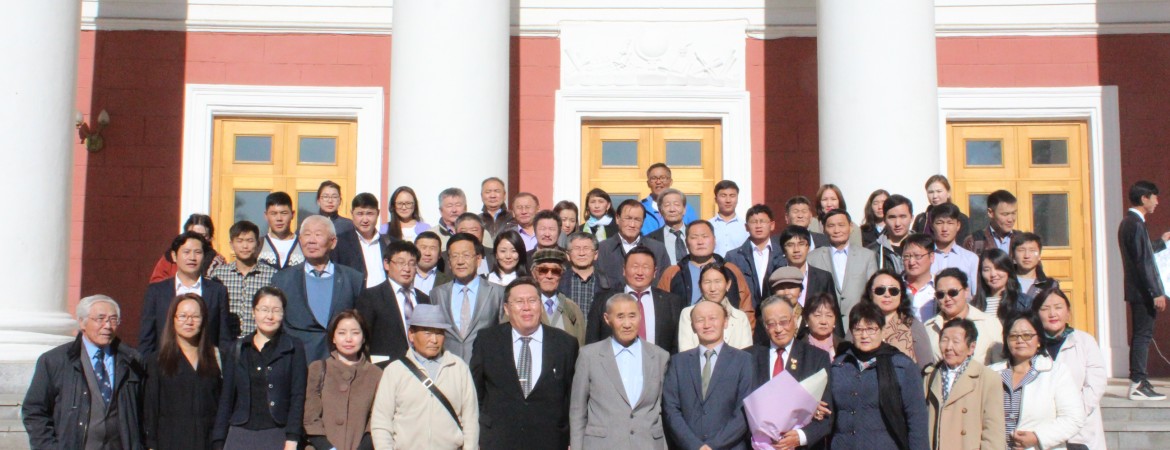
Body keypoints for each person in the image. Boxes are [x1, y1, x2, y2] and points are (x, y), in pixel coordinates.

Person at [24, 295, 146, 450]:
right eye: (100, 319)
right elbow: (34, 410)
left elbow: (144, 410)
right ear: (82, 322)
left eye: (113, 319)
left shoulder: (132, 361)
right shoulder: (55, 361)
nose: (108, 325)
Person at [472, 277, 580, 450]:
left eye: (532, 300)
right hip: (498, 440)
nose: (526, 307)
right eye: (519, 302)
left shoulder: (565, 344)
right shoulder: (487, 341)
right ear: (506, 308)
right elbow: (476, 393)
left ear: (541, 305)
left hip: (550, 440)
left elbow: (572, 397)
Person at [569, 292, 670, 450]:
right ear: (607, 319)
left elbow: (664, 409)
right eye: (620, 317)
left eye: (632, 316)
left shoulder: (659, 356)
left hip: (647, 444)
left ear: (640, 316)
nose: (627, 324)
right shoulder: (589, 356)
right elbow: (577, 411)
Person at [371, 304, 479, 449]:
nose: (434, 340)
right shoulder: (395, 371)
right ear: (411, 334)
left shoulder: (458, 368)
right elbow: (381, 422)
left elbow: (470, 419)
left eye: (439, 333)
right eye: (427, 333)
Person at [213, 287, 307, 450]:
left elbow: (298, 396)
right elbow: (226, 397)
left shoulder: (293, 347)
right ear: (253, 312)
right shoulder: (238, 348)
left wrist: (292, 437)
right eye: (264, 309)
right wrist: (219, 439)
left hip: (277, 433)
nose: (270, 316)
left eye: (276, 310)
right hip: (240, 434)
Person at [829, 301, 929, 450]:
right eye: (858, 329)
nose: (864, 335)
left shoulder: (902, 367)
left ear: (882, 330)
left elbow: (917, 419)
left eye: (871, 329)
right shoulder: (839, 365)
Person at [662, 300, 754, 450]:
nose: (707, 325)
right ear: (692, 326)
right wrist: (694, 445)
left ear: (725, 322)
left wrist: (713, 446)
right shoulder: (678, 362)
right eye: (700, 320)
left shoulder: (744, 360)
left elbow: (744, 411)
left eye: (713, 318)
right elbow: (671, 409)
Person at [271, 215, 364, 361]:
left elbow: (361, 323)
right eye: (307, 235)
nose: (311, 240)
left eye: (318, 234)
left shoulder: (353, 279)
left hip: (341, 363)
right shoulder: (283, 280)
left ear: (333, 242)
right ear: (300, 240)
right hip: (297, 361)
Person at [988, 312, 1085, 450]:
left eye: (1027, 335)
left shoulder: (1056, 373)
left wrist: (1037, 437)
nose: (1020, 340)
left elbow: (1073, 418)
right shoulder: (990, 373)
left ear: (1039, 339)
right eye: (1013, 336)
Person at [749, 296, 834, 449]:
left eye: (783, 322)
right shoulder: (748, 357)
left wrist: (800, 437)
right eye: (771, 324)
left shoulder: (816, 358)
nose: (778, 329)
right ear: (764, 325)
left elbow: (827, 414)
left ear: (794, 319)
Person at [144, 293, 223, 450]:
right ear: (173, 319)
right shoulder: (157, 361)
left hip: (208, 442)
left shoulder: (217, 357)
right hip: (171, 441)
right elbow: (150, 408)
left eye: (195, 316)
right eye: (182, 316)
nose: (189, 321)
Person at [1032, 286, 1107, 449]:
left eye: (1058, 307)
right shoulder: (1031, 345)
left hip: (1081, 431)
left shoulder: (1085, 341)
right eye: (1045, 308)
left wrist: (1071, 417)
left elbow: (1096, 385)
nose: (1052, 314)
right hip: (1043, 431)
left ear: (1068, 313)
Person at [139, 231, 231, 356]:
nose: (192, 258)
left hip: (205, 362)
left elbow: (224, 337)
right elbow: (147, 337)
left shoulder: (217, 291)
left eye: (198, 252)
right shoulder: (156, 291)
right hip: (166, 362)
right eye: (186, 252)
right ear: (174, 256)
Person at [1119, 181, 1170, 401]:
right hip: (1143, 291)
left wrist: (1161, 242)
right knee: (1142, 335)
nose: (1157, 202)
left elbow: (1143, 252)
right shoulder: (1136, 224)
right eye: (1154, 197)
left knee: (1142, 334)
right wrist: (1156, 291)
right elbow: (1143, 262)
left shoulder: (1129, 222)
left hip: (1138, 290)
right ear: (1144, 198)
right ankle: (1138, 382)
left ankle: (1140, 381)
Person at [922, 318, 1006, 450]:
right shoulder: (930, 375)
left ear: (971, 347)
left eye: (956, 341)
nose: (948, 347)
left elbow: (993, 430)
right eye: (944, 340)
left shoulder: (987, 378)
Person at [304, 310, 382, 450]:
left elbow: (376, 420)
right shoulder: (318, 369)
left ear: (364, 337)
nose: (348, 339)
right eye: (342, 333)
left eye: (355, 333)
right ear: (333, 338)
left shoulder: (375, 374)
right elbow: (310, 419)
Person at [587, 246, 686, 354]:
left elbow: (676, 346)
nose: (640, 272)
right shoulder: (603, 300)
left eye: (646, 267)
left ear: (655, 272)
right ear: (624, 270)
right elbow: (592, 343)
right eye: (635, 266)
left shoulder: (672, 302)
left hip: (658, 363)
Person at [432, 233, 507, 362]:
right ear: (449, 262)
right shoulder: (437, 294)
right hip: (448, 366)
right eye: (455, 256)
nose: (460, 261)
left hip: (485, 365)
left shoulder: (498, 292)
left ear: (478, 259)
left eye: (466, 255)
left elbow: (504, 334)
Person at [356, 240, 433, 364]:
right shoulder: (371, 297)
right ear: (386, 264)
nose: (406, 269)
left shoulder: (424, 299)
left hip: (421, 367)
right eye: (401, 263)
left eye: (412, 263)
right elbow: (362, 338)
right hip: (385, 367)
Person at [808, 209, 878, 328]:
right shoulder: (812, 257)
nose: (837, 230)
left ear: (850, 227)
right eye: (831, 226)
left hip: (859, 322)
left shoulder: (867, 256)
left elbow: (873, 291)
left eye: (841, 225)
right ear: (824, 229)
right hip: (825, 324)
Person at [657, 220, 751, 307]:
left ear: (714, 240)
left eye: (705, 236)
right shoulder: (673, 272)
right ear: (686, 242)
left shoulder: (730, 269)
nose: (700, 242)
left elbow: (745, 306)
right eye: (694, 237)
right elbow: (662, 306)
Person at [212, 220, 278, 339]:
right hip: (228, 341)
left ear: (258, 244)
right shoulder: (219, 274)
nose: (245, 246)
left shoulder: (272, 275)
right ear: (231, 244)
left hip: (260, 341)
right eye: (240, 241)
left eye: (250, 241)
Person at [924, 268, 1004, 365]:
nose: (947, 298)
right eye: (940, 294)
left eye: (953, 292)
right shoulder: (929, 327)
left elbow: (999, 365)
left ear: (966, 291)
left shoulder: (990, 324)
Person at [859, 269, 934, 369]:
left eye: (893, 291)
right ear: (870, 294)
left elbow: (927, 368)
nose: (887, 295)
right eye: (880, 290)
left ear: (901, 294)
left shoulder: (913, 325)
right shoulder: (858, 324)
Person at [726, 204, 787, 313]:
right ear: (746, 227)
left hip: (777, 312)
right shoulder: (734, 257)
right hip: (746, 314)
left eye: (762, 221)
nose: (758, 226)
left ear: (772, 225)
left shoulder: (783, 254)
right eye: (754, 222)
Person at [596, 199, 671, 288]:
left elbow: (665, 284)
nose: (632, 224)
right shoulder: (602, 249)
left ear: (643, 222)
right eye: (628, 218)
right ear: (617, 219)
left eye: (637, 220)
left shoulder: (657, 249)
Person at [678, 266, 754, 351]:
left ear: (728, 284)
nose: (713, 288)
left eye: (718, 282)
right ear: (700, 286)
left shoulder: (740, 317)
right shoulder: (688, 314)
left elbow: (746, 353)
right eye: (707, 282)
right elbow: (685, 352)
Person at [331, 192, 393, 288]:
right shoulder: (340, 243)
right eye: (360, 214)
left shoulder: (389, 243)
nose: (365, 220)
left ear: (378, 213)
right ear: (352, 213)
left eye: (370, 214)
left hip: (384, 295)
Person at [531, 248, 587, 346]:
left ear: (561, 274)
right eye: (543, 270)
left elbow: (581, 343)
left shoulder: (572, 309)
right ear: (534, 273)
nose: (549, 276)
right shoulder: (522, 306)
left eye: (555, 271)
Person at [149, 213, 226, 282]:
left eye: (202, 235)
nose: (197, 239)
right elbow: (156, 283)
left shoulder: (217, 261)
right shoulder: (171, 256)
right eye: (192, 234)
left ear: (210, 238)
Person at [559, 231, 613, 322]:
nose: (581, 253)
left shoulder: (609, 283)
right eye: (576, 248)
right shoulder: (558, 282)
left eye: (586, 248)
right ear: (568, 255)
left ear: (596, 254)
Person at [928, 203, 980, 295]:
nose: (944, 228)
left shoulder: (971, 259)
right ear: (932, 226)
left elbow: (975, 294)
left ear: (958, 225)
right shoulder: (924, 257)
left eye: (950, 223)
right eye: (939, 223)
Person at [641, 163, 699, 234]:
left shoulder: (686, 209)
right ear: (648, 183)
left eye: (663, 178)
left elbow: (695, 234)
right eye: (654, 178)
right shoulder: (641, 209)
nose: (658, 182)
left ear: (670, 181)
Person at [912, 175, 971, 243]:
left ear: (948, 193)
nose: (935, 196)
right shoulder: (922, 218)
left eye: (939, 191)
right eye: (931, 192)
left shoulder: (960, 218)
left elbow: (962, 243)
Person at [962, 189, 1021, 257]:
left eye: (1013, 213)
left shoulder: (1022, 240)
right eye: (1005, 214)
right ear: (990, 213)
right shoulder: (974, 242)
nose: (1010, 219)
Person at [970, 249, 1025, 320]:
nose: (993, 274)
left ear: (1008, 270)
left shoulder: (1022, 303)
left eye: (998, 268)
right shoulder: (973, 306)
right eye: (987, 270)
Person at [258, 192, 305, 270]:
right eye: (273, 214)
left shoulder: (304, 245)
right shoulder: (258, 245)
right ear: (266, 215)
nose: (279, 218)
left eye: (284, 213)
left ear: (292, 214)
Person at [867, 194, 913, 273]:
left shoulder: (924, 247)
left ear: (912, 218)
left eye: (902, 216)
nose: (897, 223)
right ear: (884, 220)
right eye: (892, 217)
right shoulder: (872, 252)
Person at [1012, 232, 1060, 306]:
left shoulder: (1049, 285)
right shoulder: (1005, 283)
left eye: (1032, 250)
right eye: (1021, 250)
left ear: (1039, 256)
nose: (1027, 256)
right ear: (1013, 256)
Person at [645, 188, 691, 264]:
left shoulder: (695, 234)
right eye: (667, 205)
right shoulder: (650, 240)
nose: (672, 209)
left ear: (684, 209)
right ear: (660, 211)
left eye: (676, 204)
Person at [902, 233, 938, 322]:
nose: (911, 262)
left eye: (917, 256)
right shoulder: (895, 287)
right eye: (907, 256)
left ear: (932, 257)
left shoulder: (939, 287)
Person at [799, 292, 843, 360]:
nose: (823, 321)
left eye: (829, 316)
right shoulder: (798, 347)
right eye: (817, 315)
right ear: (806, 320)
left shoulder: (844, 347)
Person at [711, 180, 750, 257]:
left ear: (737, 198)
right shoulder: (708, 226)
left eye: (732, 196)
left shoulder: (746, 227)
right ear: (716, 199)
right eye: (723, 196)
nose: (728, 200)